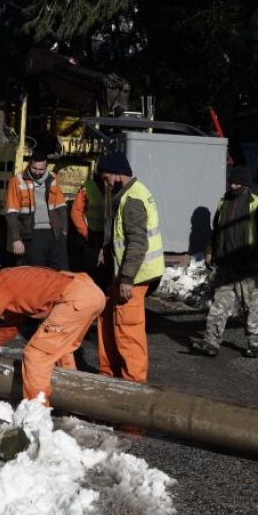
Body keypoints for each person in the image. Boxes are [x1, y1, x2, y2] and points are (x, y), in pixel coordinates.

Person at [0, 256, 105, 403]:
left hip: (75, 298)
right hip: (88, 292)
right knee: (61, 352)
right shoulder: (11, 281)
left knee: (35, 355)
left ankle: (36, 413)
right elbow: (10, 328)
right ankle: (71, 399)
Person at [190, 166, 258, 358]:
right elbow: (216, 230)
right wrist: (210, 251)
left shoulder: (256, 205)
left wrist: (255, 255)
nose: (233, 185)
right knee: (219, 304)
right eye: (231, 181)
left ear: (245, 184)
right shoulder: (223, 202)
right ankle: (211, 342)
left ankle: (254, 343)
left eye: (237, 182)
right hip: (225, 264)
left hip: (247, 266)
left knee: (249, 306)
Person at [95, 152, 162, 382]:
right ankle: (108, 372)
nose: (105, 183)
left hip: (134, 277)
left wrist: (126, 279)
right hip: (126, 273)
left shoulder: (132, 199)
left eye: (106, 178)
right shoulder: (127, 194)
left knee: (127, 329)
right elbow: (122, 236)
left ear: (117, 174)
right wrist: (107, 249)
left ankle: (133, 385)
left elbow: (137, 243)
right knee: (105, 314)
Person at [5, 151, 68, 269]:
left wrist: (64, 232)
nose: (37, 172)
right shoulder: (17, 180)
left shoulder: (53, 178)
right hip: (32, 235)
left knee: (60, 272)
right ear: (30, 164)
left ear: (46, 167)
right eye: (34, 168)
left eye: (41, 169)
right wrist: (16, 239)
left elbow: (61, 207)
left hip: (54, 233)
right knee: (35, 273)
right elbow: (11, 213)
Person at [68, 174, 107, 286]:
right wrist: (85, 233)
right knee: (91, 268)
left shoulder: (114, 185)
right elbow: (76, 212)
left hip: (108, 236)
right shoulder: (88, 187)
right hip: (93, 236)